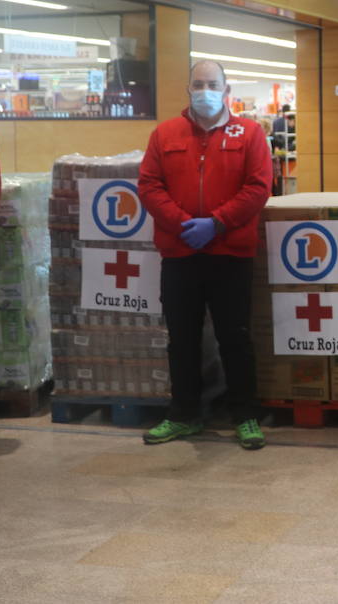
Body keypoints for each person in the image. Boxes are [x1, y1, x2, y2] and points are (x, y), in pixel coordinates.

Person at [138, 60, 273, 450]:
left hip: (231, 252)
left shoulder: (249, 133)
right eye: (198, 84)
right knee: (181, 338)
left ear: (227, 89)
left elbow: (258, 187)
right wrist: (181, 223)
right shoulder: (165, 134)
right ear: (188, 88)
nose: (205, 91)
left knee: (236, 336)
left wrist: (216, 223)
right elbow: (149, 185)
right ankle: (183, 414)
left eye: (212, 84)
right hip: (180, 253)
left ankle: (245, 415)